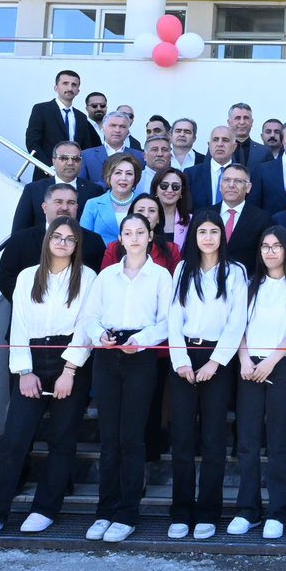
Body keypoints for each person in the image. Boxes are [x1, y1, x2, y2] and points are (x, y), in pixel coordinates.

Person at [0, 217, 91, 539]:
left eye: (69, 239)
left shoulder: (87, 277)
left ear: (77, 244)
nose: (62, 243)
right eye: (57, 237)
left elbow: (86, 326)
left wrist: (70, 371)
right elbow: (20, 324)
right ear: (47, 240)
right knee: (15, 439)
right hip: (32, 359)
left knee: (62, 440)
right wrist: (24, 372)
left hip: (69, 361)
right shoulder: (28, 276)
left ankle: (45, 510)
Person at [79, 213, 175, 544]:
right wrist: (99, 335)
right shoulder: (106, 276)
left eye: (140, 232)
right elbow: (89, 316)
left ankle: (126, 513)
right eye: (128, 233)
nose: (134, 238)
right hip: (107, 354)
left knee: (132, 437)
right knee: (109, 437)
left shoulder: (161, 276)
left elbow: (166, 321)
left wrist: (141, 340)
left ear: (150, 237)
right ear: (120, 239)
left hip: (140, 355)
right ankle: (105, 510)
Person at [162, 214, 248, 540]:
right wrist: (180, 361)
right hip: (184, 357)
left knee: (213, 439)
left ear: (222, 235)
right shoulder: (183, 269)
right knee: (182, 438)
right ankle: (181, 512)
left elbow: (237, 321)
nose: (208, 237)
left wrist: (215, 362)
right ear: (194, 236)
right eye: (202, 231)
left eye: (214, 231)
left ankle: (208, 513)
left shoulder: (235, 272)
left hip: (217, 359)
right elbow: (173, 317)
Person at [231, 227, 286, 540]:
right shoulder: (249, 284)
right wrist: (245, 359)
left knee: (278, 441)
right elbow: (238, 325)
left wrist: (271, 362)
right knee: (247, 440)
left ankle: (277, 512)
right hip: (249, 365)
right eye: (265, 246)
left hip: (283, 364)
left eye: (277, 246)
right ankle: (247, 510)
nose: (270, 252)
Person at [13, 140, 91, 235]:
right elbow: (19, 231)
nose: (70, 163)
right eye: (64, 158)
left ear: (81, 162)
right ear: (53, 161)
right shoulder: (33, 189)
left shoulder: (94, 190)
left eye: (75, 158)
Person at [25, 68, 91, 161]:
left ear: (78, 91)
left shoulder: (81, 117)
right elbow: (32, 142)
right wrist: (48, 166)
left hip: (75, 168)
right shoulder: (41, 109)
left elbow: (86, 147)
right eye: (65, 83)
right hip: (47, 168)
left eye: (74, 85)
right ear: (56, 88)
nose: (70, 88)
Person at [103, 193, 178, 272]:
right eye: (140, 210)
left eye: (152, 211)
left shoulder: (172, 250)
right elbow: (105, 277)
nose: (146, 215)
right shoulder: (113, 249)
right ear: (131, 215)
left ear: (158, 219)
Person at [80, 152, 143, 244]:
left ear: (135, 178)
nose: (123, 178)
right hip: (101, 253)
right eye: (118, 173)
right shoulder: (93, 204)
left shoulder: (143, 203)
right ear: (108, 176)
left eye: (129, 174)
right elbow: (83, 239)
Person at [212, 163, 265, 267]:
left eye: (238, 181)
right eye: (227, 180)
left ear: (248, 187)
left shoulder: (262, 219)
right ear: (220, 185)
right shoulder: (204, 215)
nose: (231, 185)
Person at [80, 113, 138, 191]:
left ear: (128, 131)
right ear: (103, 128)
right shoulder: (86, 155)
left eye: (122, 127)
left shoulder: (139, 156)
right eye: (113, 125)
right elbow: (82, 186)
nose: (117, 130)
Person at [187, 125, 241, 209]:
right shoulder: (191, 174)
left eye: (225, 140)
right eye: (215, 140)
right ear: (209, 145)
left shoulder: (245, 174)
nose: (220, 144)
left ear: (234, 147)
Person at [152, 167, 194, 251]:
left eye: (175, 186)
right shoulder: (145, 217)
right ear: (156, 189)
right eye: (164, 186)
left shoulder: (191, 221)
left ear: (182, 191)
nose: (170, 190)